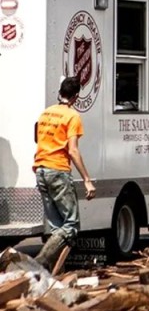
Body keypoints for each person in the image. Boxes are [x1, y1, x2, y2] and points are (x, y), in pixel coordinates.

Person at [33, 77, 96, 270]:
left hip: (41, 170)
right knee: (70, 226)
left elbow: (38, 138)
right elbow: (73, 150)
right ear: (76, 97)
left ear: (60, 92)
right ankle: (38, 264)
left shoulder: (45, 113)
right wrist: (87, 179)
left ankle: (51, 274)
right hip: (58, 171)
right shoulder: (72, 116)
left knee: (56, 228)